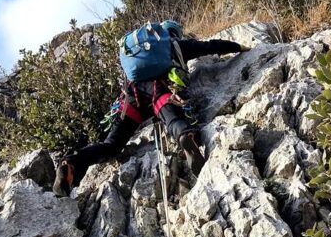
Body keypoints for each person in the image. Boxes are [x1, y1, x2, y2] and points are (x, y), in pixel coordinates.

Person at [53, 21, 247, 196]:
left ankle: (71, 161)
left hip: (131, 100)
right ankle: (185, 137)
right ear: (175, 34)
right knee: (173, 119)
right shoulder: (177, 45)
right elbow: (210, 46)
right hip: (159, 91)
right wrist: (238, 46)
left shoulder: (138, 52)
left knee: (112, 145)